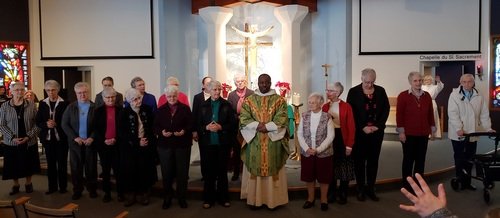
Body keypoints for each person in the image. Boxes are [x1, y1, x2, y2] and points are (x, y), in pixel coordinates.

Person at [240, 73, 290, 209]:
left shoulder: (279, 100)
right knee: (255, 167)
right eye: (261, 82)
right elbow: (244, 117)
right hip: (255, 139)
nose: (264, 85)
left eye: (266, 82)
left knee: (273, 167)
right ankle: (254, 199)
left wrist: (267, 127)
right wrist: (257, 126)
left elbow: (282, 117)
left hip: (272, 141)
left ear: (270, 83)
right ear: (257, 83)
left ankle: (273, 200)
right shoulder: (249, 100)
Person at [346, 68, 390, 202]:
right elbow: (351, 113)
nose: (369, 85)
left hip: (376, 133)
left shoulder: (381, 91)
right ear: (361, 79)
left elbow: (385, 109)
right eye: (367, 82)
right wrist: (362, 127)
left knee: (373, 161)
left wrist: (378, 125)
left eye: (372, 82)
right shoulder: (353, 92)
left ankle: (371, 188)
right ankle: (360, 189)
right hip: (360, 133)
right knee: (359, 161)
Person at [448, 74, 495, 190]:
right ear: (460, 83)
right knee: (459, 157)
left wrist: (488, 128)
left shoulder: (479, 96)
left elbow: (484, 114)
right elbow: (453, 114)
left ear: (473, 83)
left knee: (470, 157)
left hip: (473, 133)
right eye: (464, 82)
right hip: (459, 133)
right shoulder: (454, 95)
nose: (466, 84)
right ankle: (459, 179)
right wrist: (459, 128)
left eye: (469, 82)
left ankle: (467, 182)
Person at [196, 80, 236, 209]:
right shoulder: (203, 105)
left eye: (219, 89)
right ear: (209, 90)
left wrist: (221, 127)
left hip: (223, 144)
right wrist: (206, 128)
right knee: (209, 172)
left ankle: (223, 198)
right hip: (207, 144)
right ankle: (208, 199)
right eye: (214, 89)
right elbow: (197, 125)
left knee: (222, 172)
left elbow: (233, 125)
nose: (217, 92)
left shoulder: (227, 105)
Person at [154, 85, 193, 209]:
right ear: (165, 97)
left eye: (174, 96)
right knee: (167, 173)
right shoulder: (160, 110)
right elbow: (154, 127)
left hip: (182, 145)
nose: (171, 98)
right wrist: (161, 133)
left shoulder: (185, 109)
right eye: (169, 96)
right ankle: (167, 198)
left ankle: (182, 198)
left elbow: (191, 124)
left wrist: (184, 131)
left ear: (178, 96)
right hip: (165, 146)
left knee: (182, 173)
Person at [397, 72, 436, 191]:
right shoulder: (403, 96)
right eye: (415, 81)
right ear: (410, 82)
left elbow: (430, 114)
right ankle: (407, 184)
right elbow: (400, 115)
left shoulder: (427, 96)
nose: (418, 83)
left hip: (423, 134)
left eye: (420, 80)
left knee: (420, 160)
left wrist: (432, 129)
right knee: (408, 160)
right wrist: (401, 132)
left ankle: (419, 184)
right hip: (408, 134)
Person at [0, 82, 40, 195]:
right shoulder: (5, 106)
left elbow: (38, 123)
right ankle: (16, 184)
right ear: (11, 91)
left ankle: (28, 183)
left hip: (29, 140)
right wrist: (12, 137)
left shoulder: (31, 105)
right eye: (17, 90)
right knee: (13, 165)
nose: (19, 92)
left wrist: (29, 136)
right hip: (11, 141)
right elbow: (1, 124)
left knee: (29, 163)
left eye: (22, 90)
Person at [119, 88, 157, 207]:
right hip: (130, 147)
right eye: (135, 99)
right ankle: (131, 195)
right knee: (131, 170)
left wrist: (147, 140)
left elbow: (152, 127)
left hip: (145, 144)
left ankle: (143, 193)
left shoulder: (146, 109)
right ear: (129, 101)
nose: (138, 101)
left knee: (144, 170)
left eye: (139, 98)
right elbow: (122, 133)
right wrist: (137, 142)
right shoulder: (124, 113)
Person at [297, 93, 334, 211]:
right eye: (309, 102)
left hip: (324, 153)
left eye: (313, 102)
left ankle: (324, 200)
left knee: (324, 178)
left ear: (320, 104)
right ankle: (310, 199)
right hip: (307, 152)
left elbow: (330, 136)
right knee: (309, 177)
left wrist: (318, 149)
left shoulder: (327, 117)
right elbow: (300, 134)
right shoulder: (304, 116)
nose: (310, 104)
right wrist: (307, 148)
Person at [61, 82, 98, 200]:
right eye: (79, 93)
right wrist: (75, 137)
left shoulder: (95, 107)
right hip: (75, 143)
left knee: (91, 167)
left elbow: (99, 126)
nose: (82, 95)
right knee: (76, 168)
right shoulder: (70, 107)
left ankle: (92, 189)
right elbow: (64, 124)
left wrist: (92, 137)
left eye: (85, 92)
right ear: (76, 94)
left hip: (90, 143)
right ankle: (77, 190)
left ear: (88, 92)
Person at [323, 82, 356, 205]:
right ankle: (331, 192)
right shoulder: (325, 106)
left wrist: (349, 145)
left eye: (330, 90)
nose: (328, 92)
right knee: (330, 167)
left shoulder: (346, 106)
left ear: (337, 93)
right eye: (327, 90)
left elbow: (351, 127)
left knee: (344, 167)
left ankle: (343, 193)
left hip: (342, 138)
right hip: (330, 139)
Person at [36, 80, 69, 195]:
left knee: (62, 164)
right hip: (48, 139)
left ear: (58, 90)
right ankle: (52, 187)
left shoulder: (65, 103)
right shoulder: (42, 103)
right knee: (50, 164)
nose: (51, 92)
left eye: (53, 90)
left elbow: (68, 121)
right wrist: (46, 124)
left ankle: (63, 187)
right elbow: (38, 121)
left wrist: (56, 124)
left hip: (61, 139)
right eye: (48, 90)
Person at [93, 87, 124, 203]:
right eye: (108, 97)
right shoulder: (98, 111)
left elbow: (123, 129)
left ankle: (121, 193)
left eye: (112, 97)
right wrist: (104, 140)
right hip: (103, 145)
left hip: (117, 145)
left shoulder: (121, 110)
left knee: (118, 171)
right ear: (103, 98)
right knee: (105, 171)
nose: (110, 99)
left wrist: (115, 139)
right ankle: (107, 193)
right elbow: (96, 129)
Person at [227, 73, 254, 181]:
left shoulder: (251, 94)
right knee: (236, 150)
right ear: (234, 83)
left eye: (242, 81)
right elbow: (229, 111)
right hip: (235, 125)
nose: (240, 83)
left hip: (249, 125)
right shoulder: (231, 95)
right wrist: (237, 118)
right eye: (238, 81)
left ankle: (249, 172)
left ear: (245, 82)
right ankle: (236, 172)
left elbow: (254, 110)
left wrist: (245, 118)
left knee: (248, 149)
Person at [192, 76, 212, 179]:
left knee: (213, 155)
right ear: (203, 85)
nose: (209, 85)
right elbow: (194, 114)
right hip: (201, 130)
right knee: (204, 154)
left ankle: (214, 174)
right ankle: (205, 175)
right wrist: (194, 131)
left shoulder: (216, 95)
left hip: (213, 131)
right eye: (207, 83)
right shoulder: (197, 97)